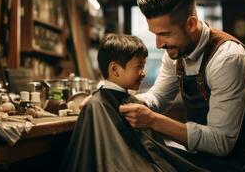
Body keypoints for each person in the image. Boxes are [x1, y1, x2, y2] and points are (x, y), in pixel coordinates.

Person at [118, 0, 245, 172]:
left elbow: (220, 142)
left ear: (190, 24)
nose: (158, 44)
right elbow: (158, 98)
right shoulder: (176, 53)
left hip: (244, 162)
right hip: (208, 158)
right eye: (154, 34)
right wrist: (115, 100)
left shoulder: (228, 59)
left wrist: (153, 120)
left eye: (164, 34)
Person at [61, 33, 206, 172]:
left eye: (143, 66)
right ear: (115, 69)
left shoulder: (130, 103)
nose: (143, 73)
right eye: (139, 66)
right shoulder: (97, 105)